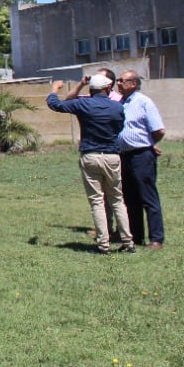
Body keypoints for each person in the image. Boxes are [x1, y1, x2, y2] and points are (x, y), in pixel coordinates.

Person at [46, 73, 135, 254]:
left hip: (90, 155)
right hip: (111, 156)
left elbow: (55, 104)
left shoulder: (83, 104)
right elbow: (119, 127)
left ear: (91, 89)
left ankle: (103, 244)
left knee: (97, 201)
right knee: (117, 199)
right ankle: (128, 241)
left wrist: (54, 90)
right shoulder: (117, 107)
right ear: (107, 88)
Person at [65, 68, 124, 241]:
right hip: (102, 152)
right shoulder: (90, 100)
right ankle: (108, 230)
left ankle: (116, 234)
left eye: (99, 78)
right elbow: (69, 100)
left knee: (114, 196)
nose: (94, 79)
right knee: (103, 196)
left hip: (112, 151)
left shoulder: (117, 101)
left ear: (109, 84)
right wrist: (82, 84)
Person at [115, 70, 166, 249]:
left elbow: (158, 130)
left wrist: (148, 144)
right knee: (129, 199)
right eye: (118, 80)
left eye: (122, 80)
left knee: (147, 197)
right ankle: (135, 237)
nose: (118, 83)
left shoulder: (143, 102)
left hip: (142, 155)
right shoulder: (121, 103)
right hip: (124, 156)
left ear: (133, 84)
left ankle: (156, 238)